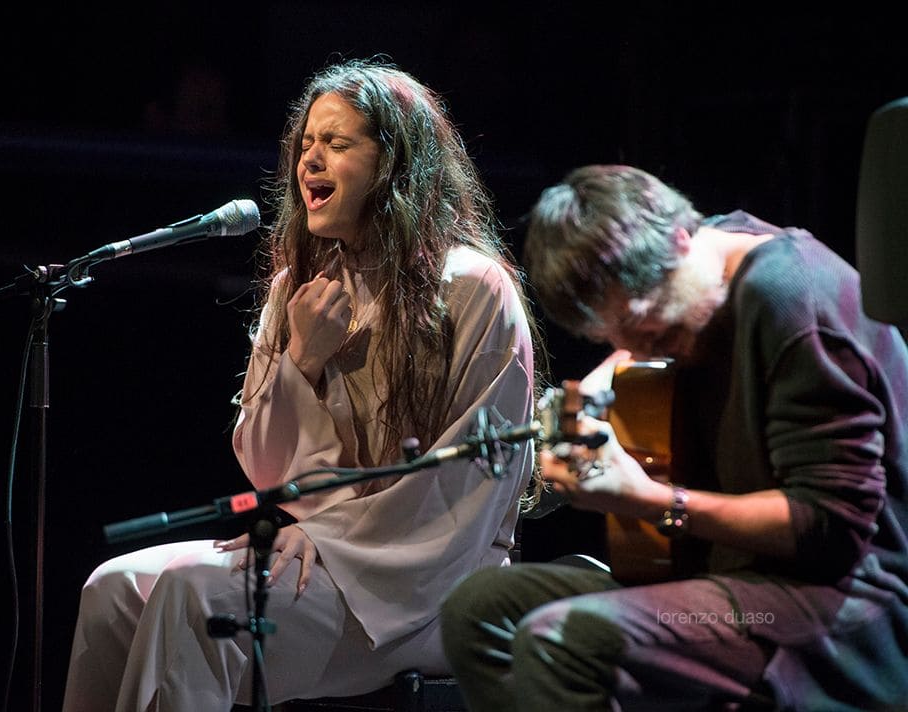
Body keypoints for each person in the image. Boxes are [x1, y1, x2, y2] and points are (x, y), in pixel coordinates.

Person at [61, 58, 540, 711]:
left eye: (337, 145)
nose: (310, 161)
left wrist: (328, 536)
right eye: (306, 144)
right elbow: (264, 467)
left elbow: (470, 482)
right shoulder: (300, 289)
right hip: (317, 558)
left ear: (393, 164)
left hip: (430, 584)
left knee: (192, 595)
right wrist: (302, 360)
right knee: (110, 587)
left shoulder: (473, 288)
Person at [440, 164, 908, 711]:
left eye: (651, 334)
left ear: (682, 241)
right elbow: (636, 338)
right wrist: (590, 394)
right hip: (730, 577)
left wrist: (649, 500)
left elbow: (832, 525)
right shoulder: (716, 250)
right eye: (617, 340)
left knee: (563, 640)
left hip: (843, 605)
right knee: (477, 610)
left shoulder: (789, 298)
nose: (640, 351)